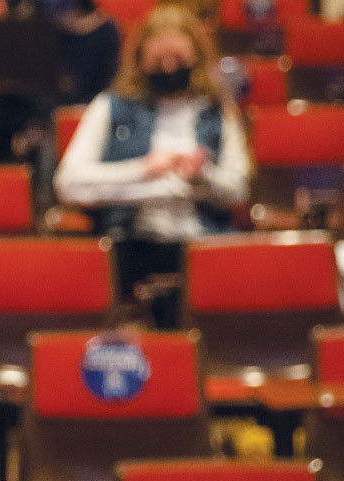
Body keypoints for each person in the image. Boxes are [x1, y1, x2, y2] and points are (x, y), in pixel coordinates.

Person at [55, 5, 248, 317]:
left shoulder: (217, 110)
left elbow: (238, 189)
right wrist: (145, 170)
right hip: (130, 242)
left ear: (196, 58)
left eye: (178, 61)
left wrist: (202, 177)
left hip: (201, 242)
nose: (169, 68)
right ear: (141, 60)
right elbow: (68, 184)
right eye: (159, 61)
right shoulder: (109, 107)